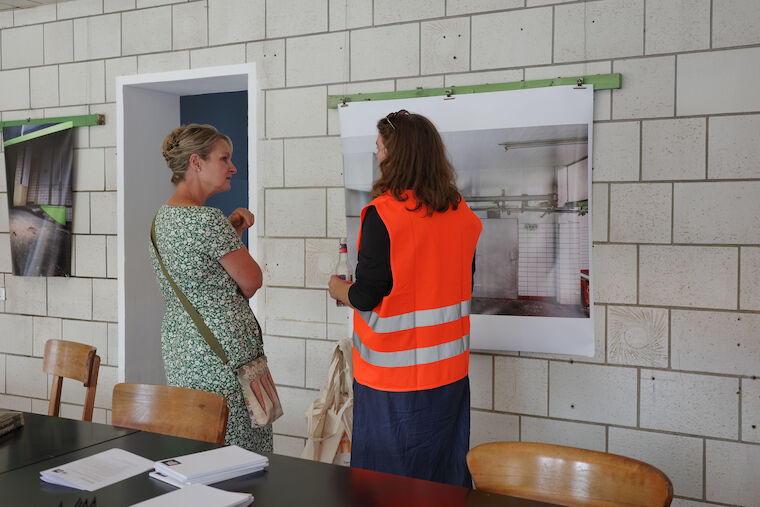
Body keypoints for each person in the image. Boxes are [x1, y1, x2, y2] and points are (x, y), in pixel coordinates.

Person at [328, 110, 482, 486]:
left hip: (391, 383)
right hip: (449, 377)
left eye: (380, 148)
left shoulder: (383, 215)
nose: (377, 156)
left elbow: (366, 295)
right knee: (443, 478)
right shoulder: (462, 214)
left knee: (385, 486)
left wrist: (336, 287)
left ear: (397, 155)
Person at [149, 124, 271, 453]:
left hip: (184, 352)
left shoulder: (162, 218)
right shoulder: (208, 220)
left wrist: (232, 235)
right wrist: (228, 233)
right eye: (224, 158)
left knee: (199, 448)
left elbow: (201, 275)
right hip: (227, 357)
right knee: (241, 453)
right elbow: (251, 281)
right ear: (196, 162)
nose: (232, 167)